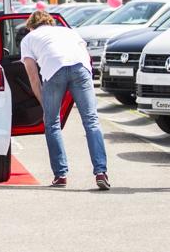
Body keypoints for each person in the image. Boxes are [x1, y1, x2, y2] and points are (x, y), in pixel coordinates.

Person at [20, 10, 110, 190]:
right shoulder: (69, 31)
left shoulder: (29, 39)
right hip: (81, 68)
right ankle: (101, 172)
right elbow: (86, 56)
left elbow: (33, 77)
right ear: (50, 22)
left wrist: (45, 106)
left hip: (54, 70)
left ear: (31, 26)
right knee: (91, 121)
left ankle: (60, 175)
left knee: (52, 123)